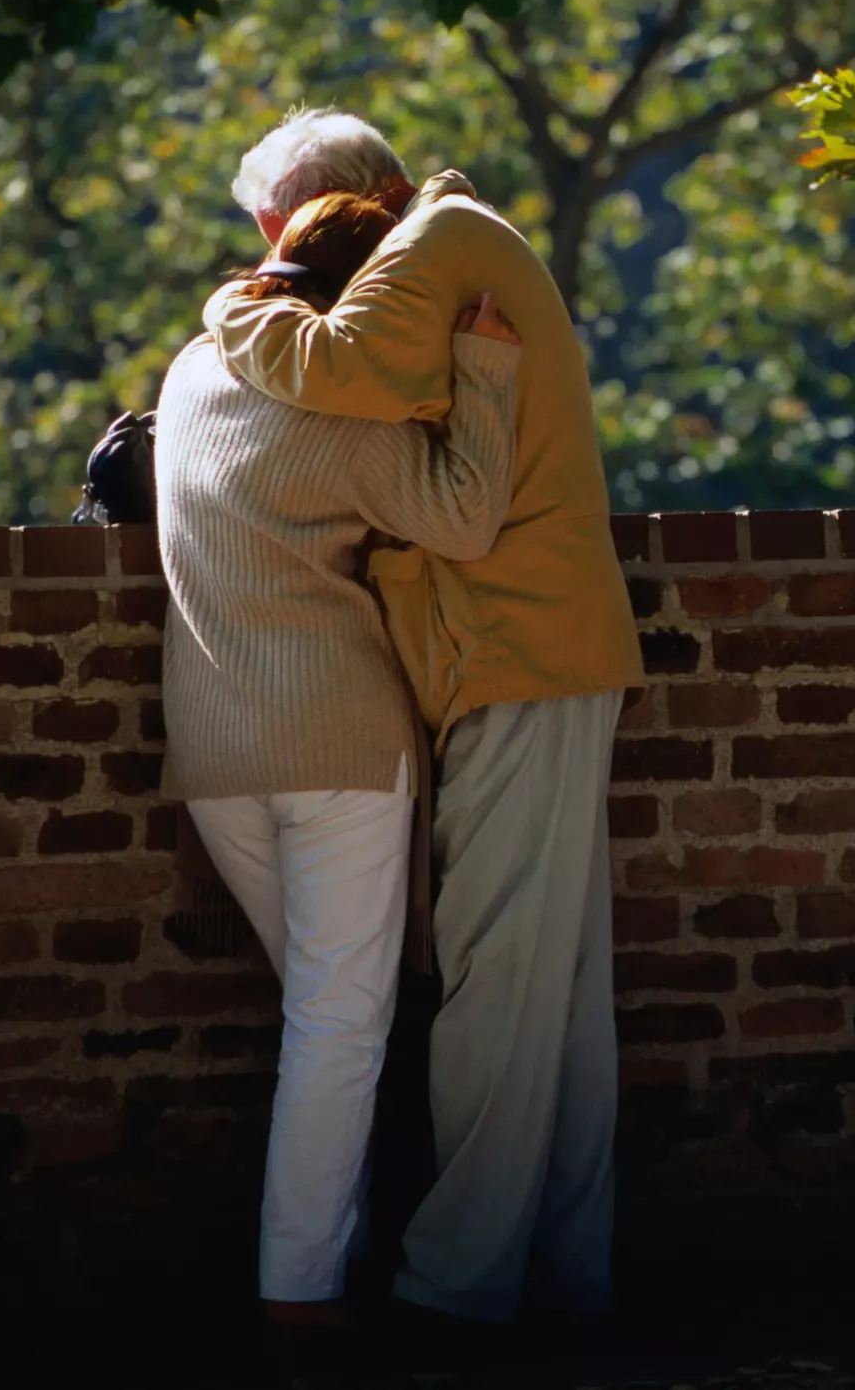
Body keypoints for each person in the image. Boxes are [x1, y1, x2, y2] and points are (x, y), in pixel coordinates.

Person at [202, 107, 645, 1331]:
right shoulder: (448, 241)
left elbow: (340, 371)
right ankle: (569, 1271)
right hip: (530, 653)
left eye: (285, 242)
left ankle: (459, 1288)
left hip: (518, 654)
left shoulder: (434, 240)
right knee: (555, 996)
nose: (288, 268)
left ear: (350, 209)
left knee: (498, 993)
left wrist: (236, 305)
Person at [155, 189, 522, 1359]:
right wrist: (487, 374)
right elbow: (465, 517)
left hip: (214, 751)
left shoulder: (188, 376)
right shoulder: (341, 408)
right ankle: (301, 1292)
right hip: (340, 744)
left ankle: (332, 1253)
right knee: (339, 1026)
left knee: (316, 1014)